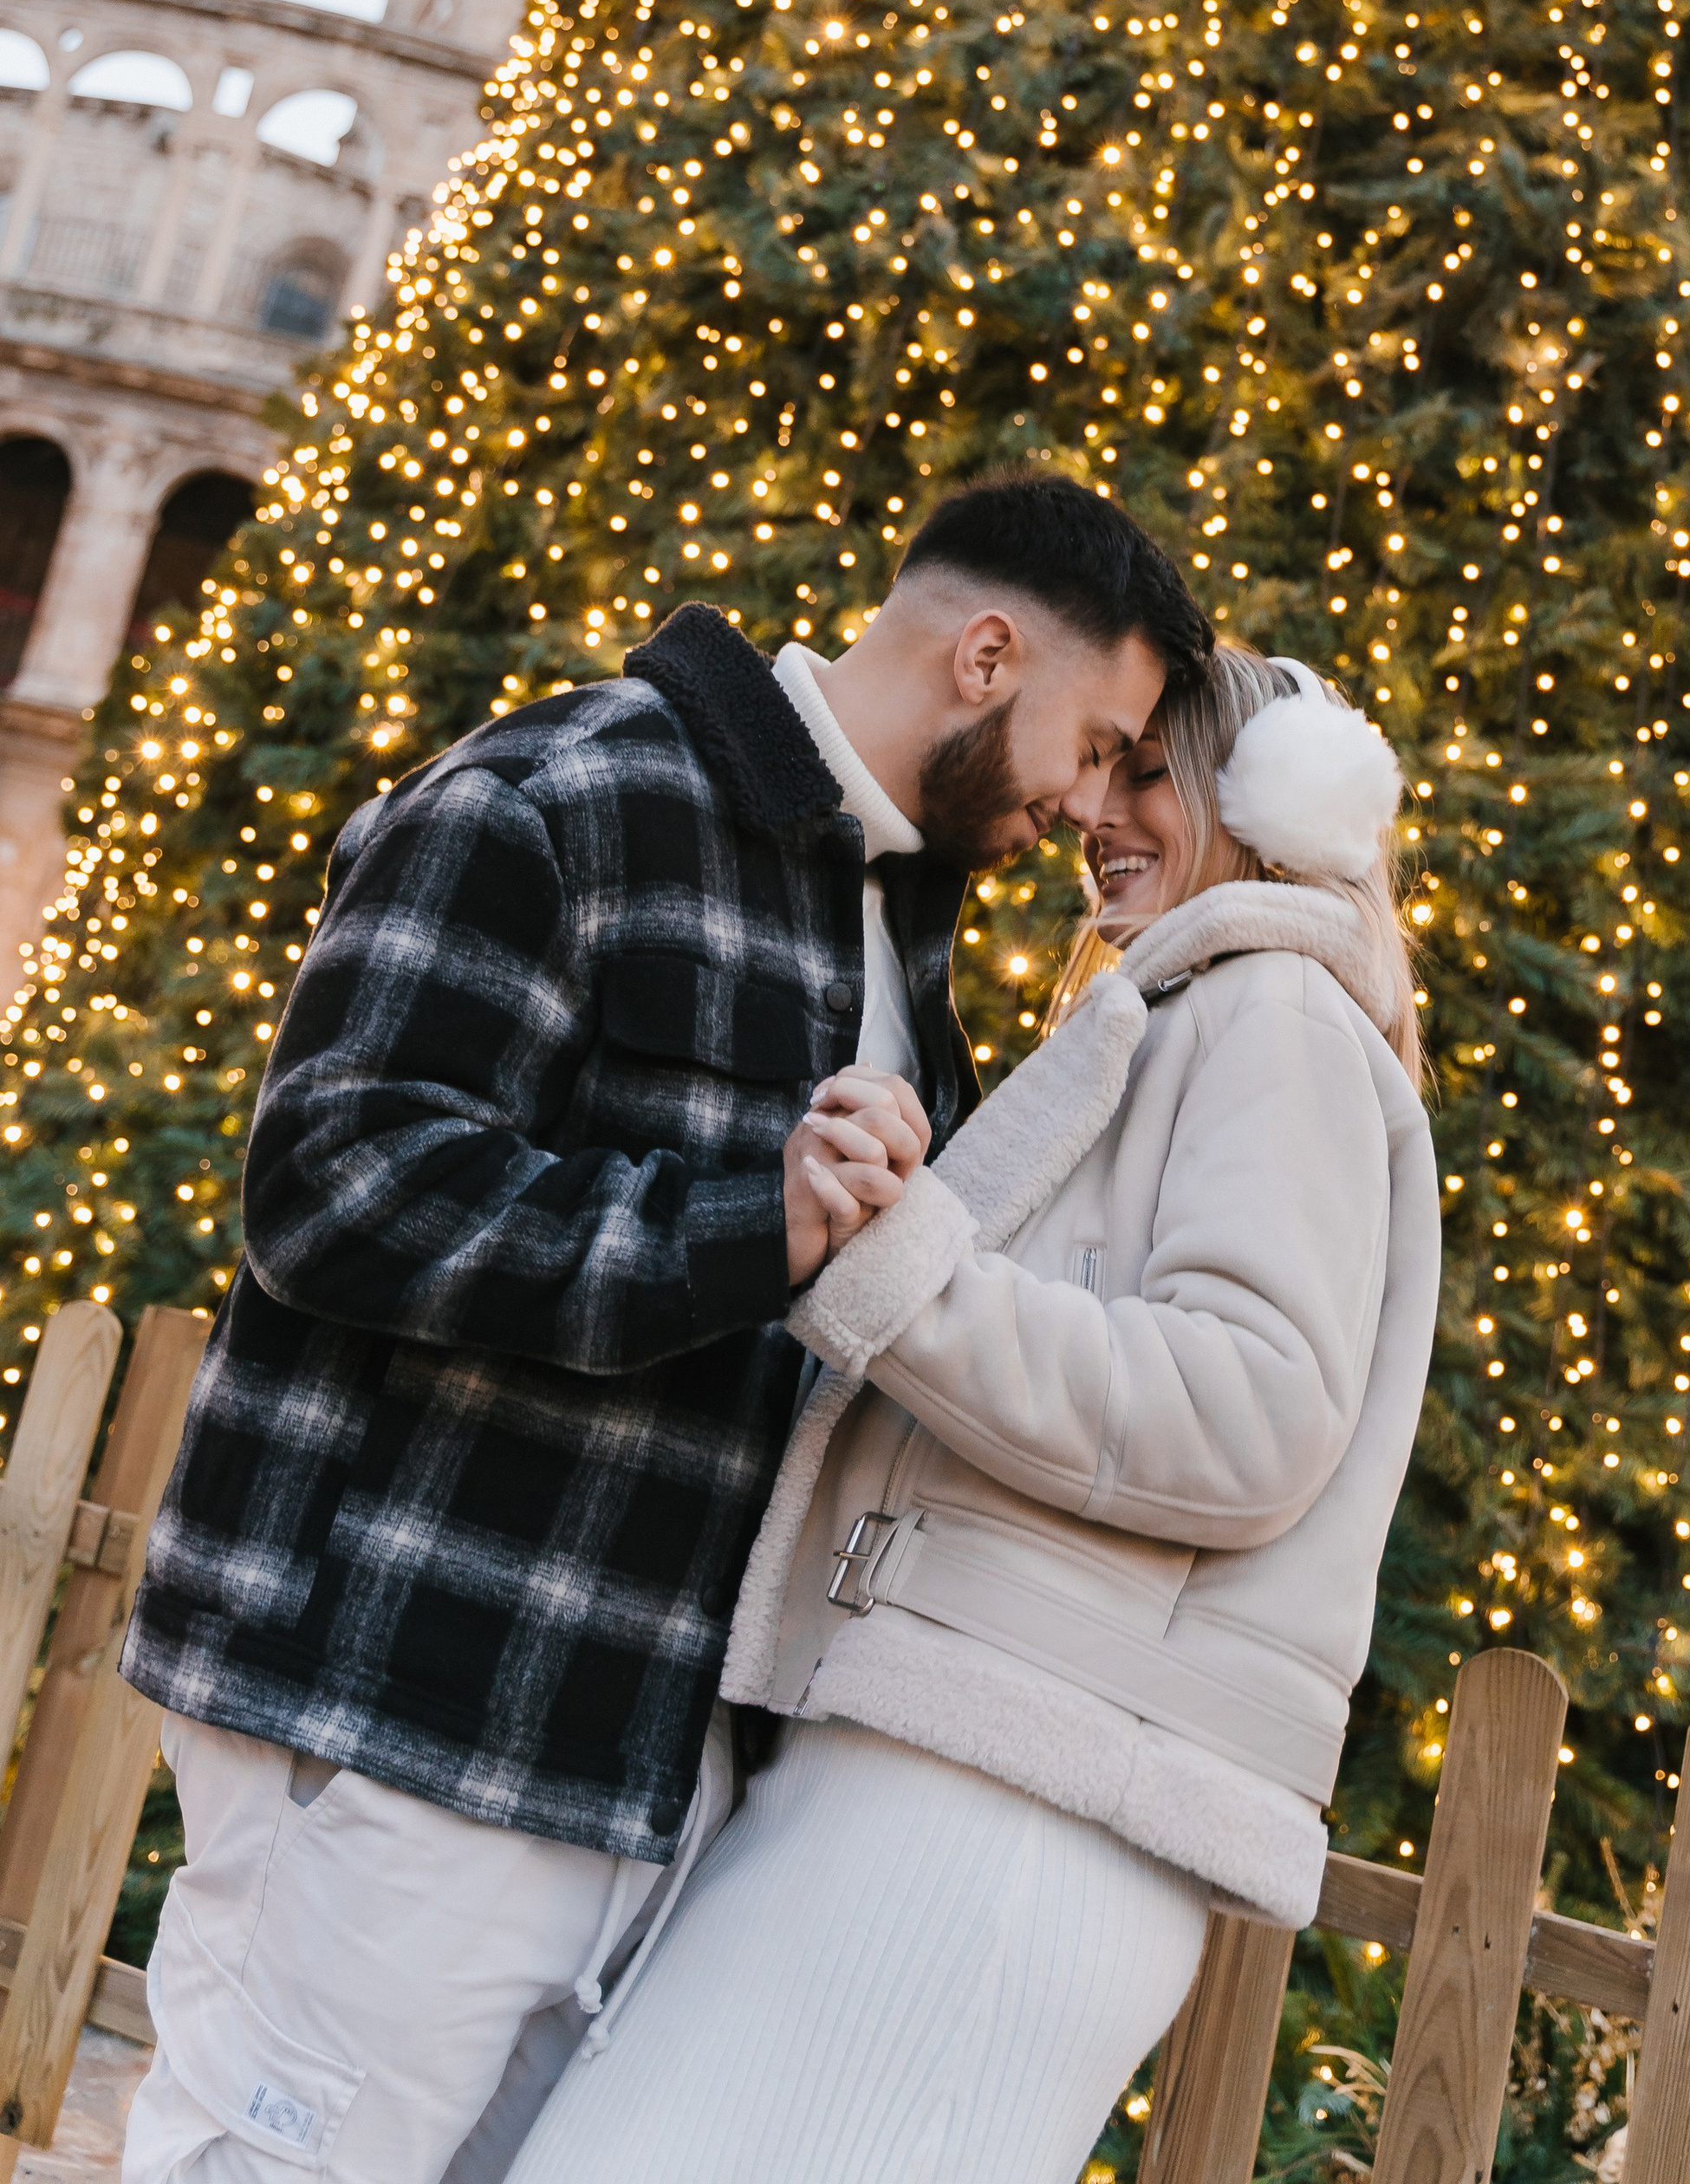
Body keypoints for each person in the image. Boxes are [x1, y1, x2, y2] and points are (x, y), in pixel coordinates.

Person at [120, 474, 1212, 2184]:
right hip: (406, 1722)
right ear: (988, 656)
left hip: (636, 1760)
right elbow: (331, 1186)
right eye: (1094, 744)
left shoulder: (892, 924)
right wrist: (742, 1223)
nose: (1087, 808)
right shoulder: (560, 791)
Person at [509, 646, 1442, 2184]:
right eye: (1108, 766)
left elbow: (1250, 1412)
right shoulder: (1191, 1014)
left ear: (1265, 804)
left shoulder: (1271, 1011)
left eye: (1152, 771)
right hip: (961, 1761)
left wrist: (905, 1260)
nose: (1101, 811)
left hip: (1023, 1801)